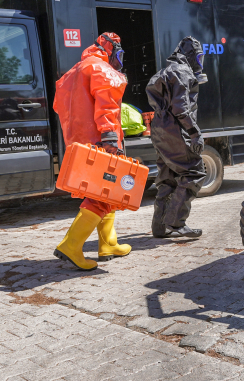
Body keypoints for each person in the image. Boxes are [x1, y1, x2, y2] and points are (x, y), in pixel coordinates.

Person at [52, 32, 132, 270]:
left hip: (79, 143)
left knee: (106, 193)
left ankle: (108, 244)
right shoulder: (101, 69)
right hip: (100, 139)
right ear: (109, 48)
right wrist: (109, 135)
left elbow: (61, 108)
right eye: (118, 51)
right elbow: (107, 102)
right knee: (103, 193)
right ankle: (71, 245)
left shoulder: (72, 72)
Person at [146, 36, 207, 239]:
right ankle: (175, 223)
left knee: (166, 177)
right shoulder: (182, 72)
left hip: (159, 129)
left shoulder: (164, 72)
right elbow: (181, 108)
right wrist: (195, 133)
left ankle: (160, 226)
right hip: (175, 130)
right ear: (190, 56)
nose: (200, 63)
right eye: (198, 58)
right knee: (194, 172)